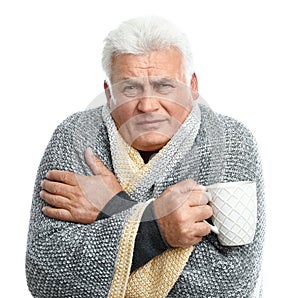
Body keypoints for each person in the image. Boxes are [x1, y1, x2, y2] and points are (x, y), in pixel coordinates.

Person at [26, 16, 265, 297]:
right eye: (129, 88)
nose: (148, 105)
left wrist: (113, 207)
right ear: (108, 93)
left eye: (165, 86)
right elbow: (46, 275)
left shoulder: (229, 140)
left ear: (193, 86)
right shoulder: (76, 136)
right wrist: (159, 228)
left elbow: (228, 284)